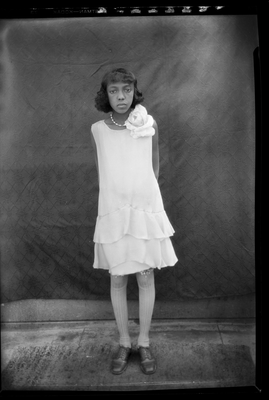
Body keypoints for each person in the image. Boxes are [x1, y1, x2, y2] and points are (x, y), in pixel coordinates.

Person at [91, 68, 178, 375]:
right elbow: (105, 171)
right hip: (114, 212)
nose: (121, 97)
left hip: (142, 209)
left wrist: (143, 197)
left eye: (126, 90)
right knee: (117, 278)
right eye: (114, 91)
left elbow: (153, 165)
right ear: (106, 94)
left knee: (145, 276)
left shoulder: (147, 123)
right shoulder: (98, 130)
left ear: (134, 92)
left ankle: (144, 342)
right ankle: (124, 342)